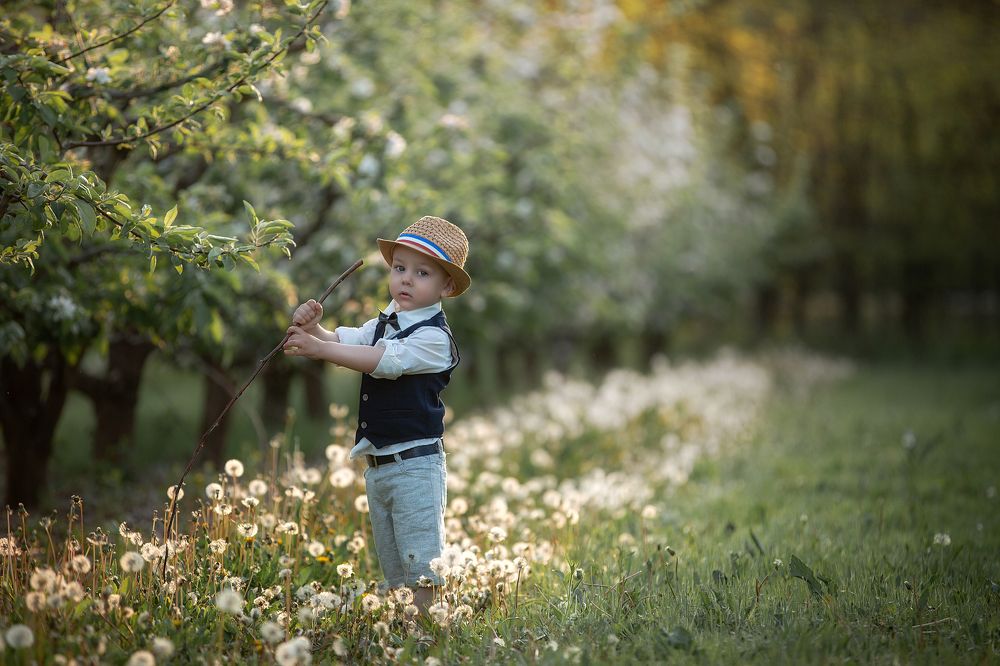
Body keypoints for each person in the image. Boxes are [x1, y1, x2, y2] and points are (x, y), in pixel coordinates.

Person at [283, 215, 470, 613]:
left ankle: (428, 636)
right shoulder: (386, 321)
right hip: (380, 466)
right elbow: (345, 340)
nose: (406, 279)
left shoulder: (434, 338)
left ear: (447, 286)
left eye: (422, 273)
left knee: (422, 564)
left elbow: (381, 360)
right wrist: (316, 331)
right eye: (400, 268)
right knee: (395, 568)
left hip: (417, 468)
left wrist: (319, 351)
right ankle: (405, 635)